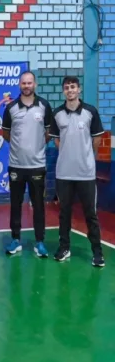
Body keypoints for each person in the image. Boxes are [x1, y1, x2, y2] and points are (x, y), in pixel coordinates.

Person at [49, 76, 105, 266]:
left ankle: (97, 252)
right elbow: (57, 140)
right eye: (67, 87)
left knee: (90, 214)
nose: (70, 90)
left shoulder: (90, 111)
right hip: (64, 173)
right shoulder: (57, 113)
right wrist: (68, 154)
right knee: (64, 212)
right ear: (63, 91)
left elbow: (97, 139)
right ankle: (64, 247)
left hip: (86, 173)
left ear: (79, 89)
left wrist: (87, 156)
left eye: (73, 87)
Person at [2, 71, 53, 257]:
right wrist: (20, 147)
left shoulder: (44, 106)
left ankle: (39, 242)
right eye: (23, 83)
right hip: (16, 165)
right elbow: (5, 133)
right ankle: (15, 240)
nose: (26, 86)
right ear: (19, 85)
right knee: (15, 204)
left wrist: (36, 146)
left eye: (29, 83)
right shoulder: (11, 108)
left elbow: (48, 133)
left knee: (38, 205)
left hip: (37, 165)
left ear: (35, 84)